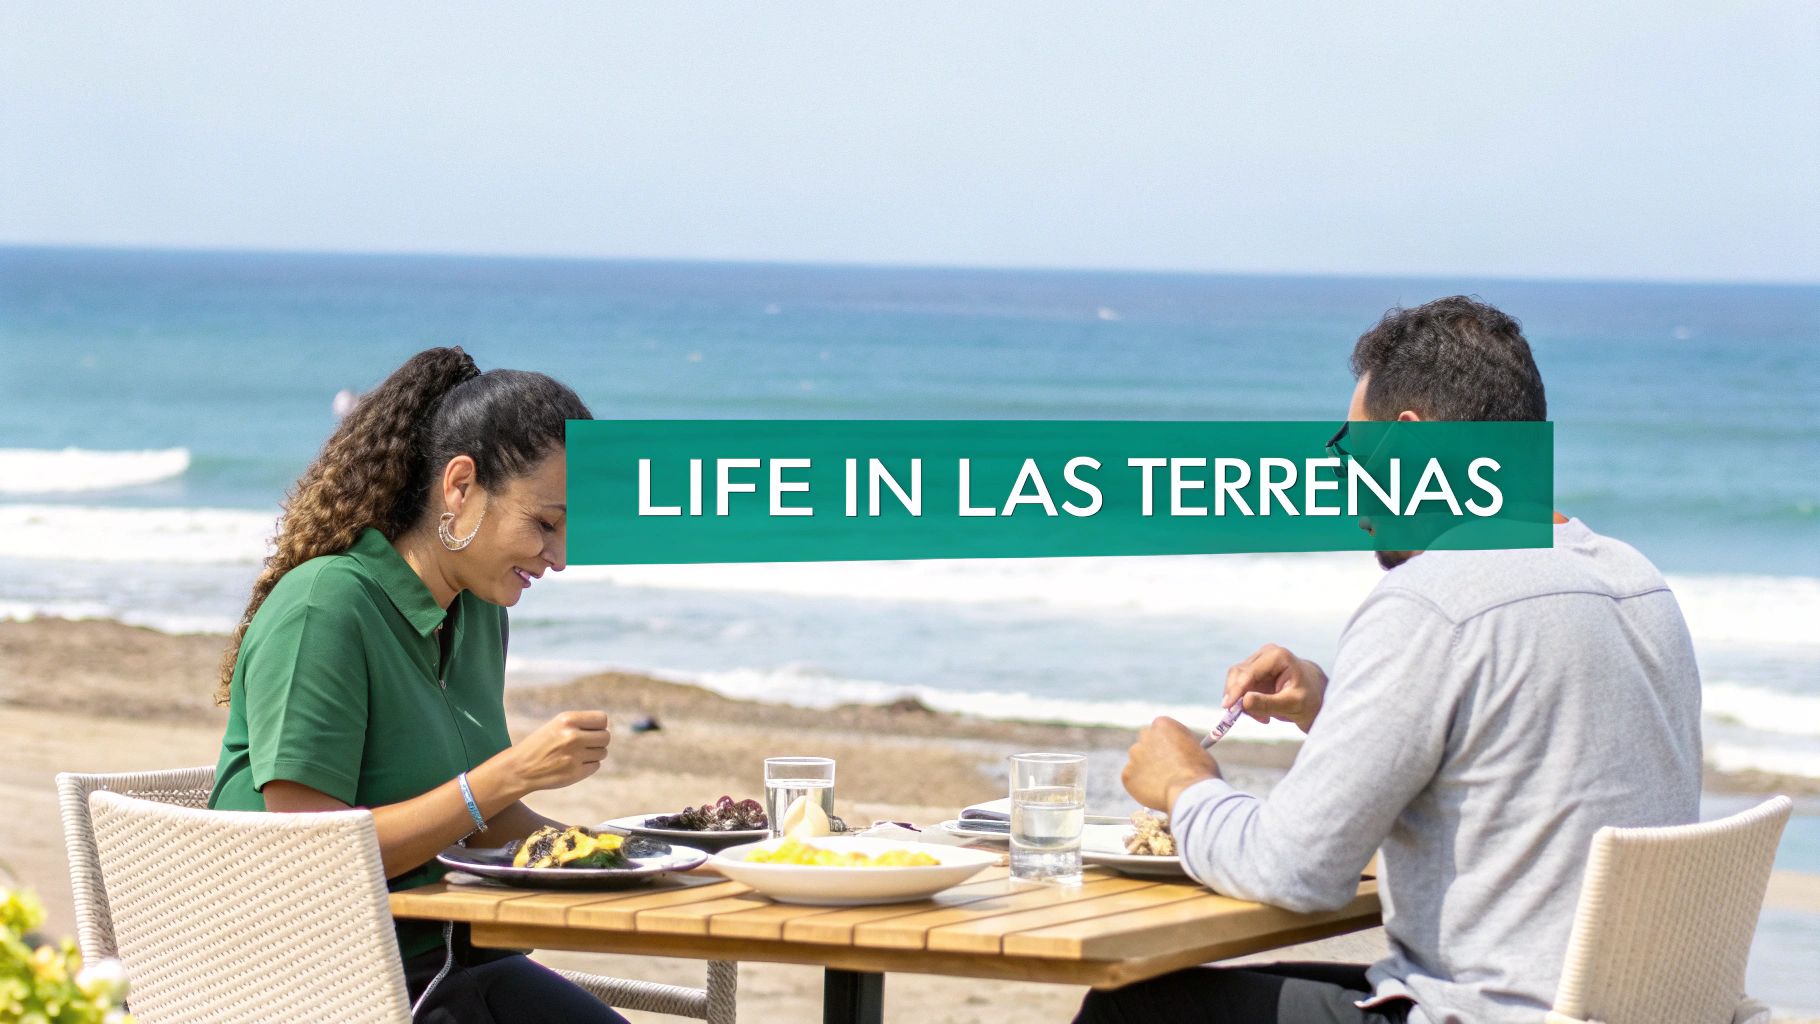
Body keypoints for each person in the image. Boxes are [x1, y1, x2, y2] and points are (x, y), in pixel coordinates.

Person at [1079, 297, 1702, 1024]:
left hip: (1490, 1016)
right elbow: (1518, 759)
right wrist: (1331, 705)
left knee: (1132, 1008)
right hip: (1625, 1009)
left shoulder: (1433, 598)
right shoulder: (1634, 578)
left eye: (1352, 442)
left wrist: (1185, 784)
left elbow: (1294, 870)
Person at [209, 346, 630, 1023]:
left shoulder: (478, 611)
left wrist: (627, 859)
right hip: (311, 982)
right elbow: (309, 852)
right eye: (545, 524)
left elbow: (489, 822)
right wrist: (508, 774)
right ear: (459, 487)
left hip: (448, 959)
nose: (559, 557)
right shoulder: (326, 606)